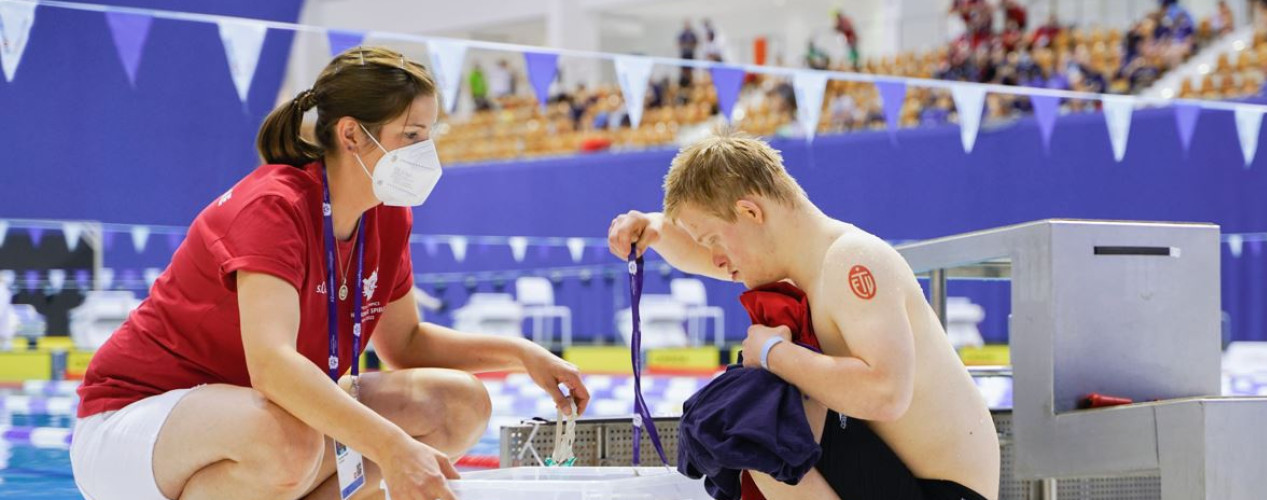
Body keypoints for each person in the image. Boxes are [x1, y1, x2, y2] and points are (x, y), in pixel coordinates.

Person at [71, 46, 590, 500]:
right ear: (351, 135)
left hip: (257, 417)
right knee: (290, 441)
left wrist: (521, 354)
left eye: (428, 135)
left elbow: (404, 343)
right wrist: (391, 447)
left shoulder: (386, 214)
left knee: (458, 404)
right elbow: (272, 368)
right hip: (139, 422)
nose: (425, 153)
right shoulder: (273, 206)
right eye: (411, 135)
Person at [606, 130, 1000, 500]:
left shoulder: (851, 261)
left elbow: (886, 394)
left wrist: (774, 352)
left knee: (746, 419)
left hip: (944, 491)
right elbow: (703, 258)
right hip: (899, 476)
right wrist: (655, 229)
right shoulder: (805, 268)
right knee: (751, 420)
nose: (717, 260)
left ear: (750, 212)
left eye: (713, 240)